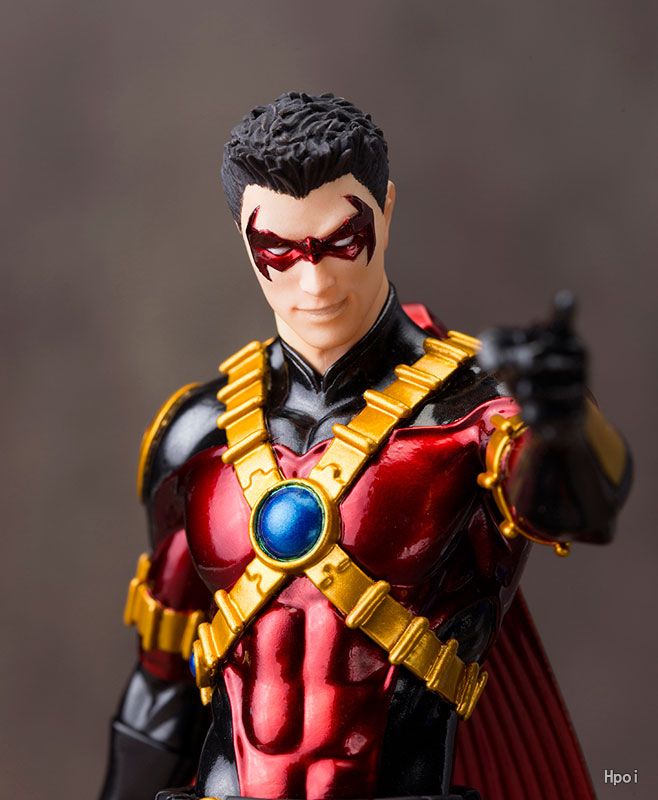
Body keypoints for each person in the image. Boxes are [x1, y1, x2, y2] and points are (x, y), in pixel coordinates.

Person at [100, 92, 632, 800]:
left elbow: (579, 506)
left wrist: (564, 423)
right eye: (278, 250)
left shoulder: (473, 413)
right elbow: (161, 684)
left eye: (342, 241)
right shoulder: (198, 435)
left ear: (385, 209)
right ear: (243, 240)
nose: (315, 281)